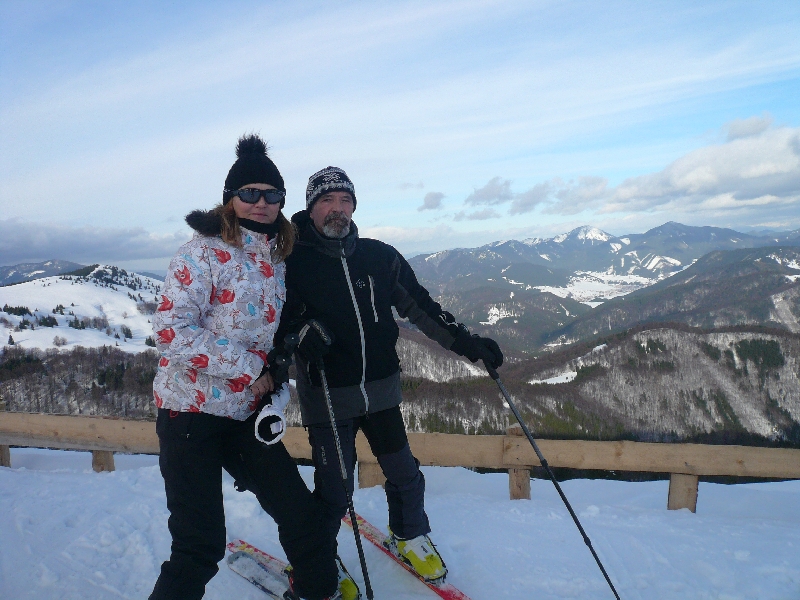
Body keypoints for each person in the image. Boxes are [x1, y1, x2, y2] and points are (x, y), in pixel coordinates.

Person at [274, 166, 503, 586]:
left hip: (381, 393)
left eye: (345, 200)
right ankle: (316, 559)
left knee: (405, 474)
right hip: (328, 396)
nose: (337, 208)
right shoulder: (290, 262)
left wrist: (469, 345)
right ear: (311, 208)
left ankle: (409, 536)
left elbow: (422, 308)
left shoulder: (380, 257)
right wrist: (298, 335)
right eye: (327, 200)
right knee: (335, 490)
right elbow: (273, 326)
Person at [149, 136, 341, 600]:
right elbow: (171, 330)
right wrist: (251, 367)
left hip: (244, 412)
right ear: (229, 199)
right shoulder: (201, 252)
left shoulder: (275, 255)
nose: (261, 202)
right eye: (250, 193)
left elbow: (263, 331)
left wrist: (286, 348)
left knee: (302, 517)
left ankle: (316, 591)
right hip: (189, 413)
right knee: (199, 545)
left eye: (272, 194)